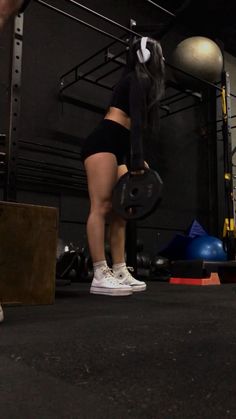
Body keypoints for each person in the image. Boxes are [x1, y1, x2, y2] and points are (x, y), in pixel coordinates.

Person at [81, 36, 165, 296]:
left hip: (119, 145)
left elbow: (133, 128)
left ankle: (118, 268)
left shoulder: (139, 81)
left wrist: (134, 159)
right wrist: (136, 160)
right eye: (158, 55)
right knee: (102, 205)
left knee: (122, 209)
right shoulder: (136, 79)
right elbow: (136, 123)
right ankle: (99, 272)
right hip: (104, 140)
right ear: (147, 57)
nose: (162, 61)